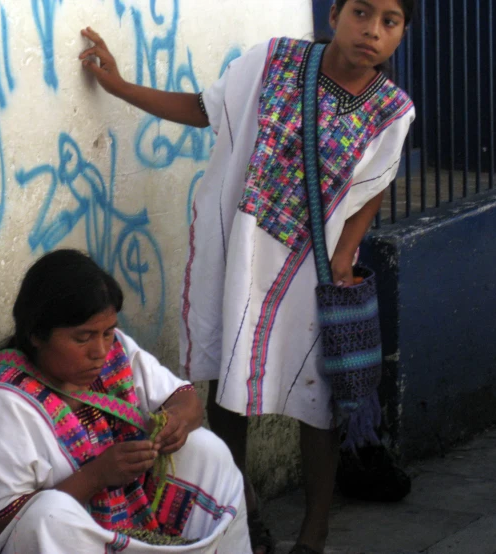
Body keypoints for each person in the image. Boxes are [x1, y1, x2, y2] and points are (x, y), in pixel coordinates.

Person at [78, 1, 416, 552]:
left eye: (389, 21)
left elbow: (375, 184)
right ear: (335, 14)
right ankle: (246, 515)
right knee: (228, 386)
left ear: (400, 34)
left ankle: (314, 532)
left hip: (310, 270)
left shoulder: (392, 112)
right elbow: (206, 109)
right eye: (361, 12)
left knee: (317, 396)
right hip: (237, 254)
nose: (371, 30)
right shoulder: (273, 60)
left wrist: (345, 254)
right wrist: (119, 87)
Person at [0, 249, 252, 554]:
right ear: (36, 335)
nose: (100, 350)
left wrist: (175, 423)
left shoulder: (114, 352)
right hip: (49, 541)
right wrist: (97, 476)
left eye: (107, 332)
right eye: (83, 338)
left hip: (127, 524)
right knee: (49, 513)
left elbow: (186, 401)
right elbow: (13, 522)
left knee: (204, 449)